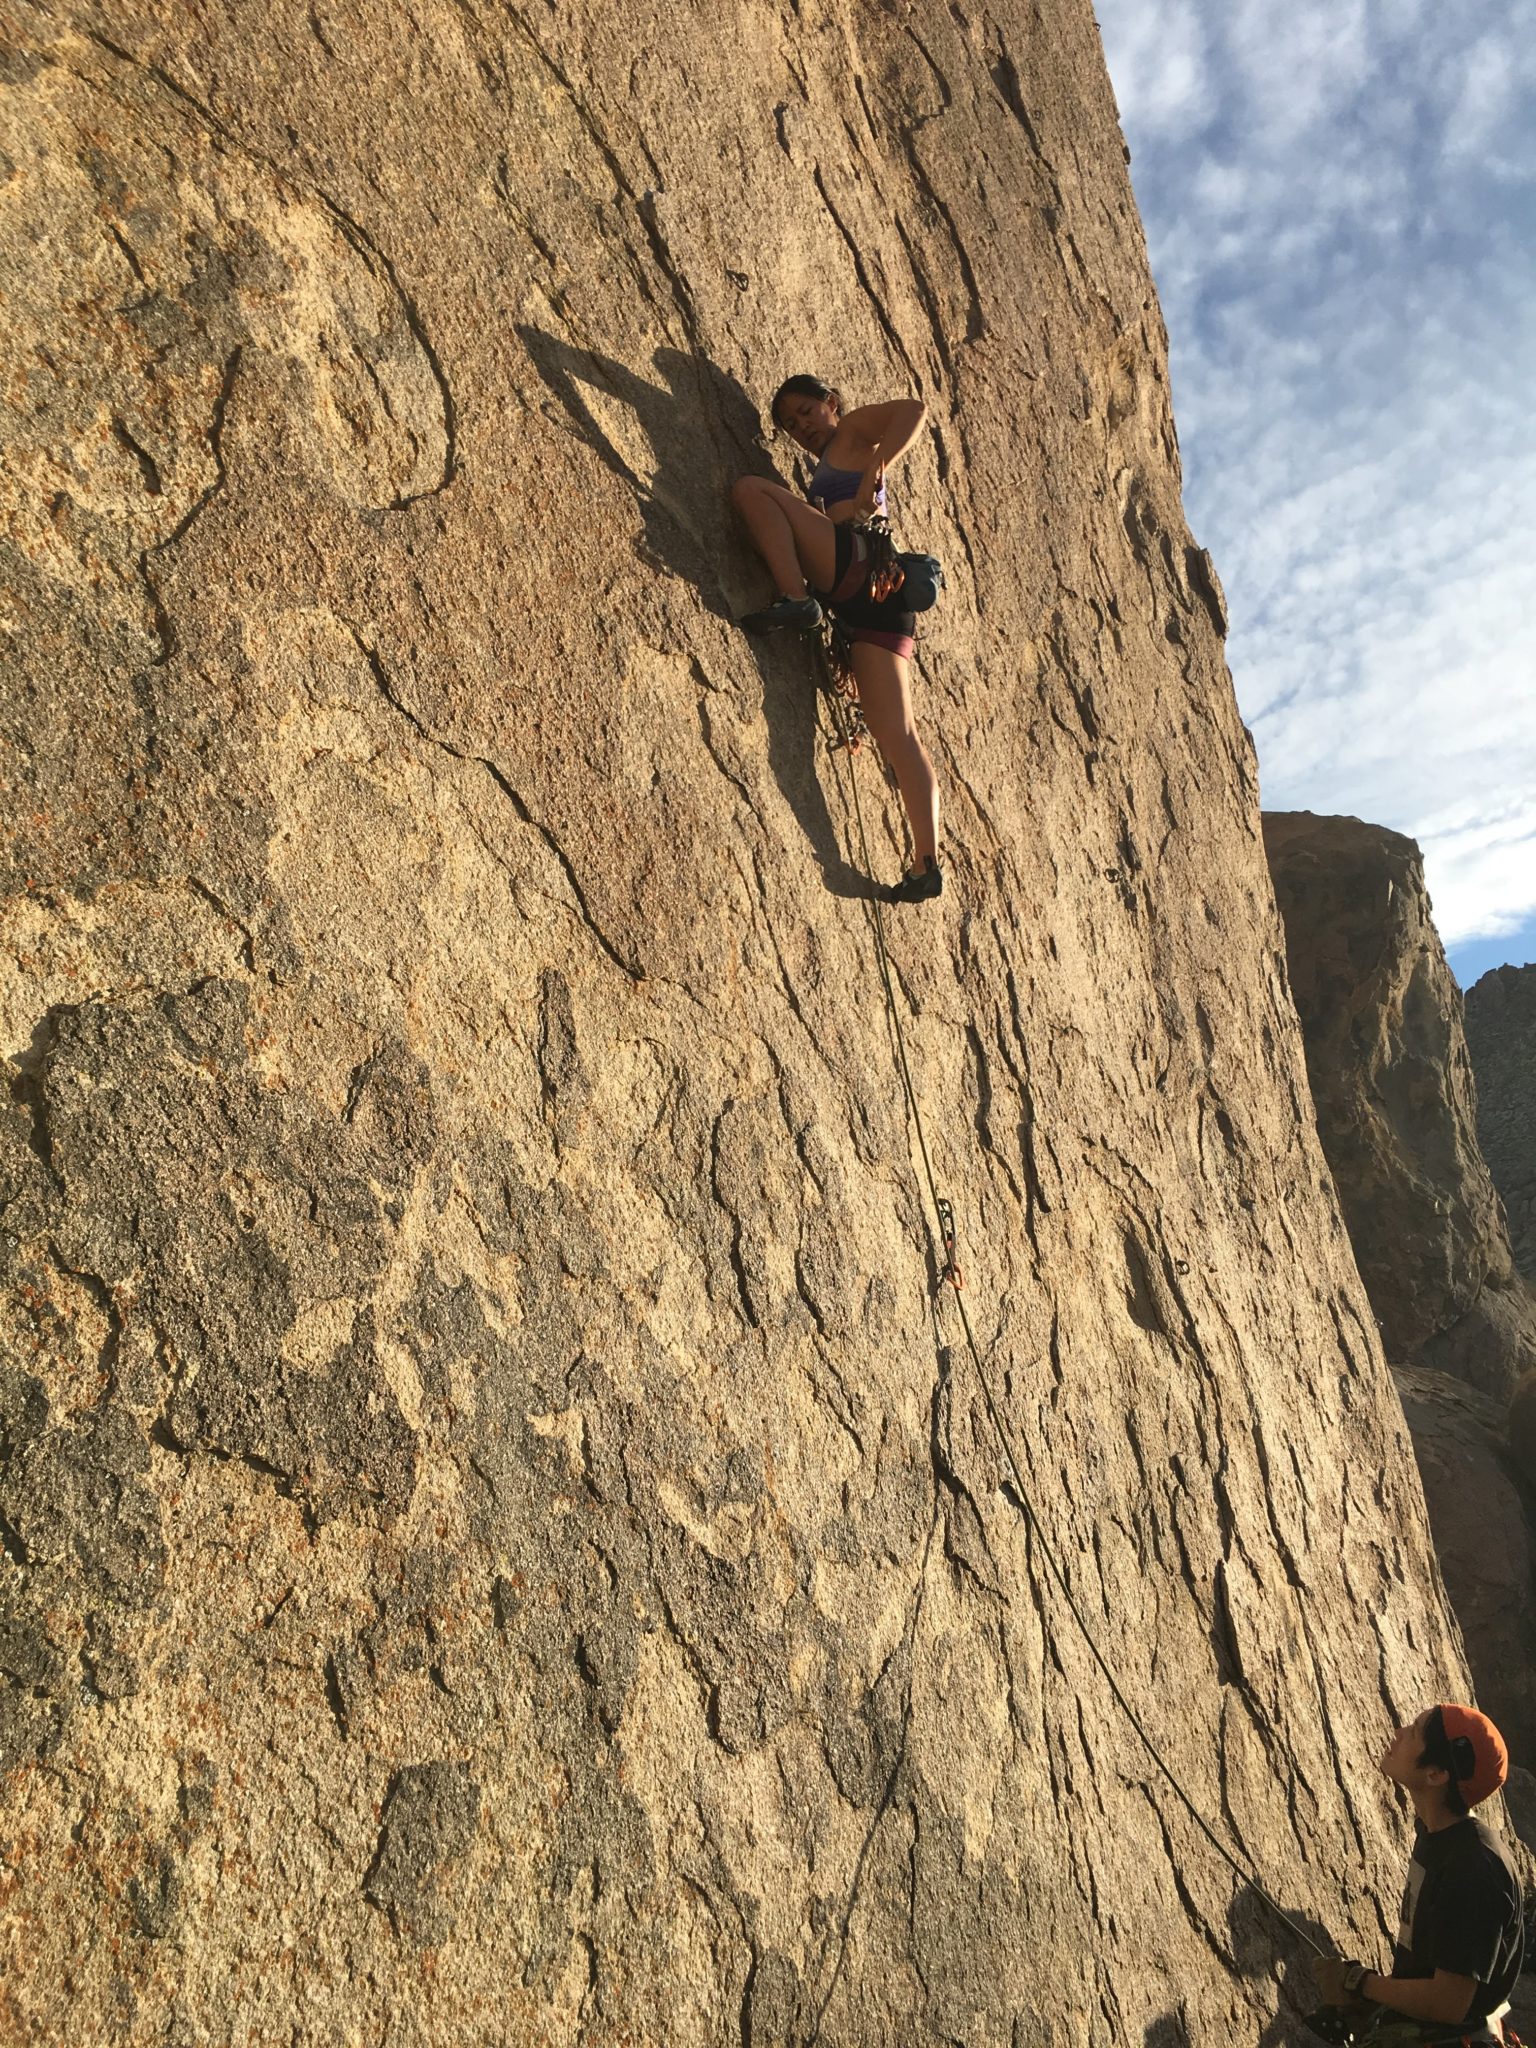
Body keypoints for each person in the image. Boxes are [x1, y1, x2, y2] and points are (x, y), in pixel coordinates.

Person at [731, 375, 943, 905]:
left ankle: (792, 597)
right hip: (876, 605)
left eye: (807, 412)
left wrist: (877, 465)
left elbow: (913, 409)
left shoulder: (850, 432)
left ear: (831, 403)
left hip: (857, 563)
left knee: (751, 490)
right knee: (898, 736)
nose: (802, 427)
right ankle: (926, 861)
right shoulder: (829, 459)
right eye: (791, 425)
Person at [1310, 1703, 1524, 2045]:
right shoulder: (1436, 1831)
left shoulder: (1473, 1870)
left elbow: (1448, 2003)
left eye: (1414, 1731)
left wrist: (1360, 1983)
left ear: (1436, 1775)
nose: (1398, 1732)